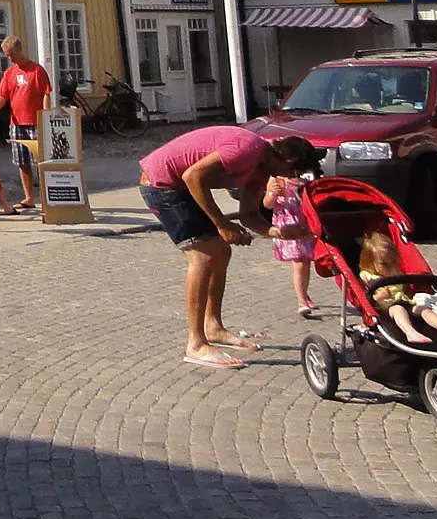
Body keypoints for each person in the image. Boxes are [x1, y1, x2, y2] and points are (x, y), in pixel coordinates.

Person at [138, 124, 323, 369]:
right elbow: (192, 176)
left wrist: (277, 232)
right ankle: (196, 344)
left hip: (181, 186)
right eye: (293, 171)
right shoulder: (246, 149)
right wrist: (222, 224)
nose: (291, 179)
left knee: (222, 251)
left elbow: (248, 215)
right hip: (161, 184)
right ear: (286, 159)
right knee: (203, 256)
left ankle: (213, 327)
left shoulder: (261, 169)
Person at [359, 230, 437, 347]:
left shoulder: (396, 273)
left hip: (405, 302)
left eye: (393, 262)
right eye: (384, 264)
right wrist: (378, 296)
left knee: (424, 309)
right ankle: (411, 333)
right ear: (371, 263)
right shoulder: (367, 275)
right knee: (399, 310)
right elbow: (363, 298)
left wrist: (409, 293)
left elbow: (406, 289)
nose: (390, 267)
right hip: (386, 308)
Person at [0, 37, 51, 211]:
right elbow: (3, 95)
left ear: (18, 50)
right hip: (16, 122)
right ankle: (29, 197)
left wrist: (45, 115)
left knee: (41, 161)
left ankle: (48, 196)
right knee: (22, 161)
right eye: (6, 55)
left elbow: (46, 93)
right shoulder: (10, 73)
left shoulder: (36, 70)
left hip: (35, 121)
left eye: (10, 54)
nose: (8, 58)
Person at [264, 170, 319, 318]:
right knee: (300, 262)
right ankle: (302, 301)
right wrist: (272, 193)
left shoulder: (305, 180)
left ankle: (304, 294)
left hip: (304, 227)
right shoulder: (276, 179)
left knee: (306, 263)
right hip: (288, 228)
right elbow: (267, 205)